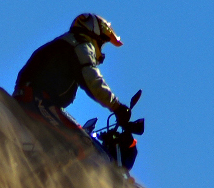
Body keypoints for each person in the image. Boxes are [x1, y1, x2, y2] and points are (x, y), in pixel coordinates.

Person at [13, 13, 129, 148]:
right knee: (83, 142)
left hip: (30, 97)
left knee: (61, 142)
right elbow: (92, 79)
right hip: (38, 101)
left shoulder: (66, 42)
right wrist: (117, 107)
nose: (101, 50)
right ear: (95, 34)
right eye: (102, 42)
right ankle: (51, 169)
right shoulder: (81, 45)